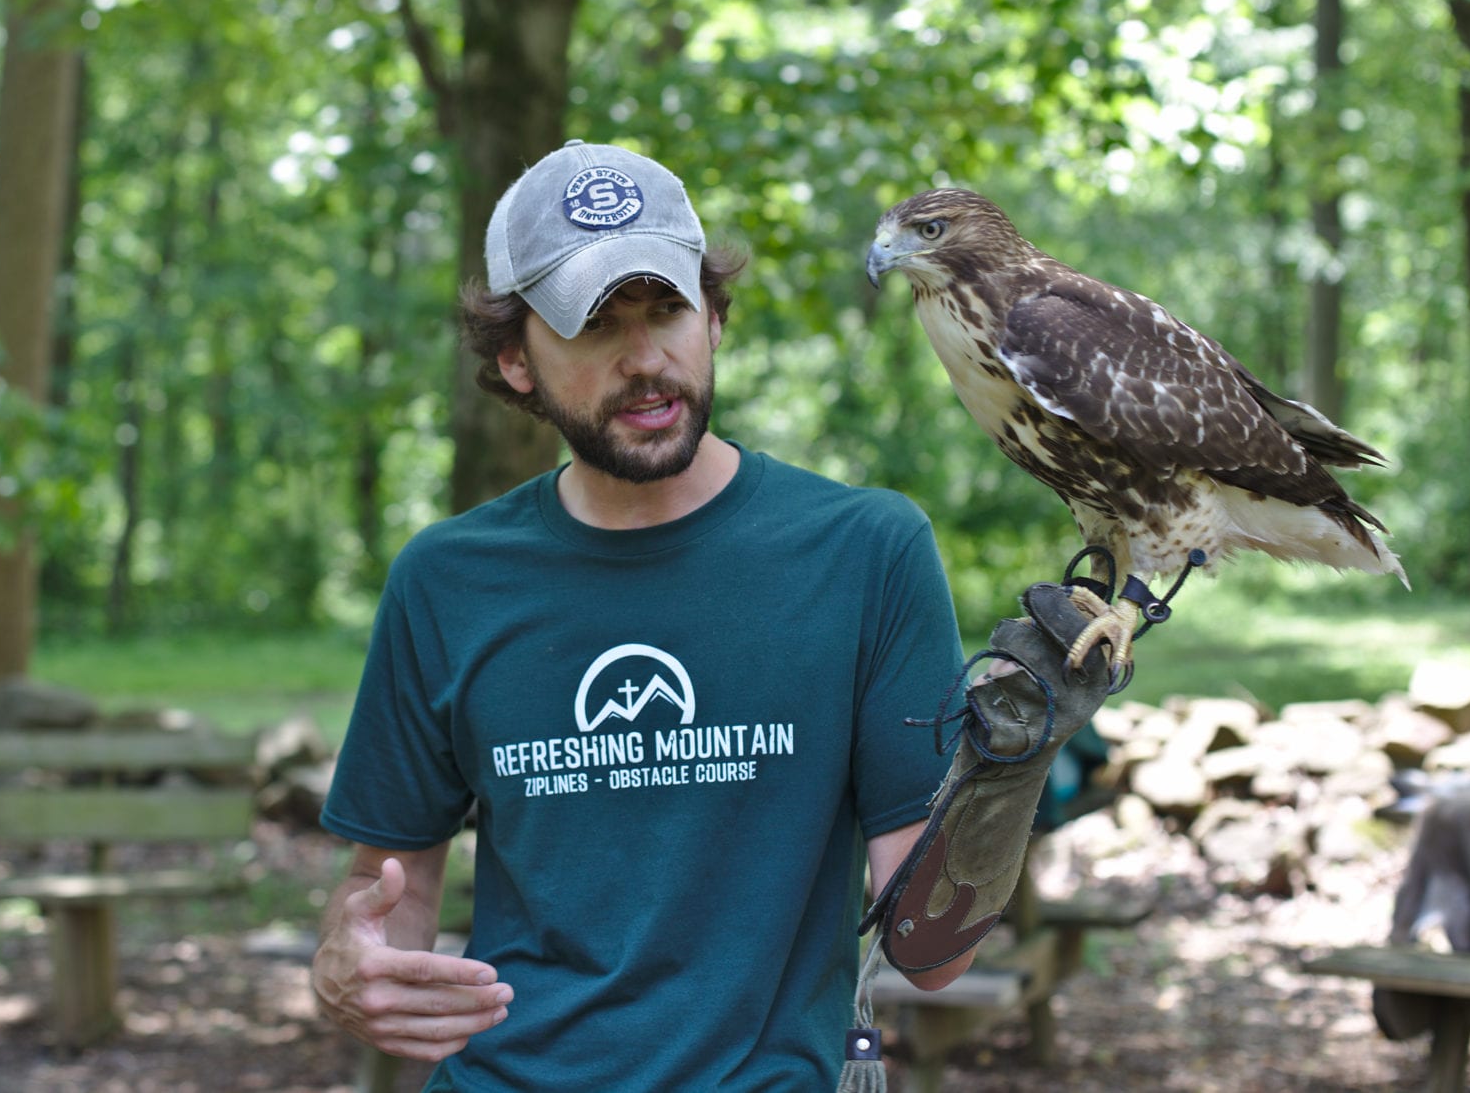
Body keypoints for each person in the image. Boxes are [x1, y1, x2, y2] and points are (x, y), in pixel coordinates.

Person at [310, 141, 1106, 1090]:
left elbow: (930, 954)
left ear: (716, 318)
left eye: (667, 311)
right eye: (595, 325)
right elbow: (386, 893)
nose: (645, 360)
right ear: (516, 360)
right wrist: (347, 960)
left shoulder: (865, 551)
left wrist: (1004, 779)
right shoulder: (447, 580)